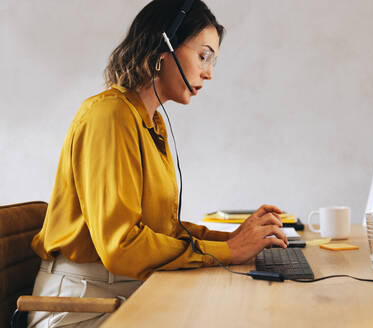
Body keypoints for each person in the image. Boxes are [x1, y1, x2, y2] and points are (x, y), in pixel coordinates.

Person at [28, 1, 288, 327]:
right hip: (82, 304)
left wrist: (233, 239)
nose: (209, 73)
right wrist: (230, 251)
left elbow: (162, 230)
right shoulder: (109, 116)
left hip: (124, 288)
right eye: (203, 56)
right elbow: (121, 246)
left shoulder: (150, 123)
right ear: (163, 47)